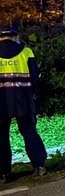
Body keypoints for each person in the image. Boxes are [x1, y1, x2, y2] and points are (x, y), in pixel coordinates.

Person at [0, 26, 47, 183]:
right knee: (29, 133)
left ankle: (4, 174)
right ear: (15, 37)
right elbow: (35, 76)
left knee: (1, 138)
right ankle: (39, 166)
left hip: (1, 103)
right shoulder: (26, 52)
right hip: (23, 100)